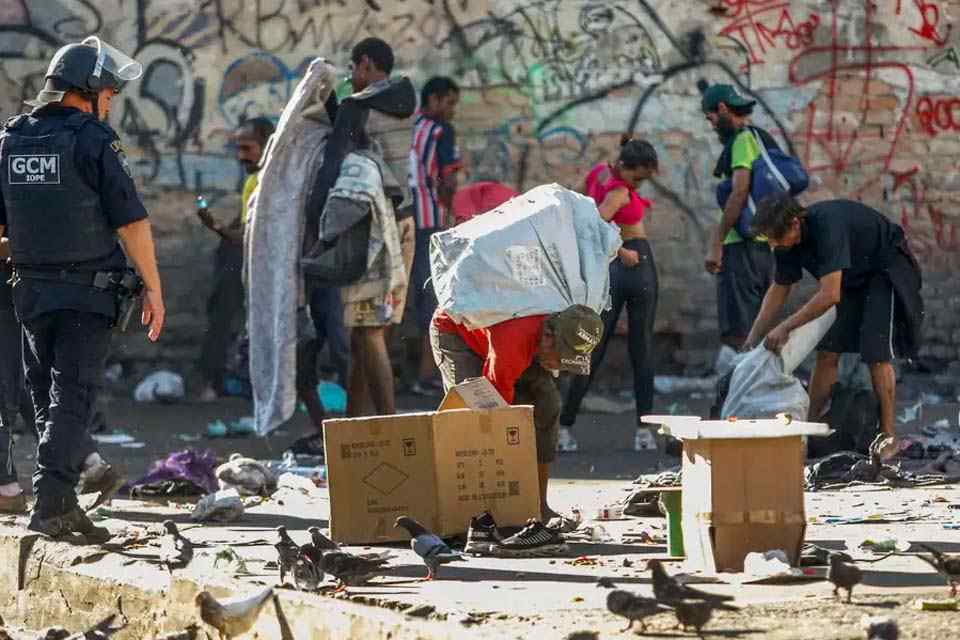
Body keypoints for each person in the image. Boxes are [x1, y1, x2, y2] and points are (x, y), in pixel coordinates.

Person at [0, 37, 165, 540]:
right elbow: (132, 223)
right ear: (88, 90)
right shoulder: (93, 140)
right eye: (110, 95)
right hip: (86, 295)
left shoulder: (11, 139)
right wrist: (154, 290)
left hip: (29, 293)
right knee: (73, 397)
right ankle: (51, 501)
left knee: (48, 396)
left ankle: (60, 497)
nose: (111, 105)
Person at [743, 194, 923, 460]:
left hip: (886, 270)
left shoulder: (828, 225)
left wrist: (785, 328)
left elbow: (829, 295)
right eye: (767, 239)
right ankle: (809, 431)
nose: (772, 245)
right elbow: (779, 288)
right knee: (827, 352)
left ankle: (889, 437)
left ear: (795, 224)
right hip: (851, 279)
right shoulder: (785, 244)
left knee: (876, 354)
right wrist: (753, 337)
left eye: (774, 237)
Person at [307, 37, 416, 418]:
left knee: (368, 332)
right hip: (405, 224)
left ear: (366, 64)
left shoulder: (358, 106)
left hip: (371, 230)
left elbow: (332, 168)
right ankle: (355, 428)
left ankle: (390, 425)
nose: (352, 77)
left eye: (354, 69)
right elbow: (369, 140)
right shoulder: (404, 102)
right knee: (367, 332)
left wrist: (318, 234)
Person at [431, 304, 603, 531]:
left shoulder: (556, 322)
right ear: (549, 338)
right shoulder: (512, 346)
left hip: (511, 339)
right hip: (457, 333)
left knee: (547, 404)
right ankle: (476, 514)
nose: (561, 367)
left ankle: (538, 506)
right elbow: (496, 414)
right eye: (561, 359)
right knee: (473, 418)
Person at [559, 137, 659, 453]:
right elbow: (593, 222)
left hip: (611, 267)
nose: (638, 185)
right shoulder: (619, 190)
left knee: (593, 347)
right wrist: (621, 251)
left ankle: (564, 426)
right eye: (638, 178)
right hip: (632, 263)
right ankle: (643, 431)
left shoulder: (601, 172)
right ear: (626, 167)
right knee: (640, 349)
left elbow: (581, 204)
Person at [196, 117, 275, 402]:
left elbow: (249, 236)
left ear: (266, 146)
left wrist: (215, 226)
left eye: (248, 148)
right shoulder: (255, 179)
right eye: (238, 149)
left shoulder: (268, 181)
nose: (242, 156)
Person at [701, 84, 778, 350]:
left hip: (741, 249)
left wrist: (717, 242)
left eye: (710, 118)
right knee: (756, 328)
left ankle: (745, 390)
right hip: (761, 247)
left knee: (739, 333)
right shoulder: (760, 138)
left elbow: (739, 192)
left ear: (722, 108)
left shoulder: (743, 140)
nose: (711, 125)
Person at [408, 76, 463, 395]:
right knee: (433, 296)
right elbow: (448, 180)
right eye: (450, 103)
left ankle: (408, 374)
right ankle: (427, 375)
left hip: (403, 221)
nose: (452, 110)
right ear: (435, 100)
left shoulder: (410, 127)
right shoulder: (443, 131)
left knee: (409, 298)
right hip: (430, 223)